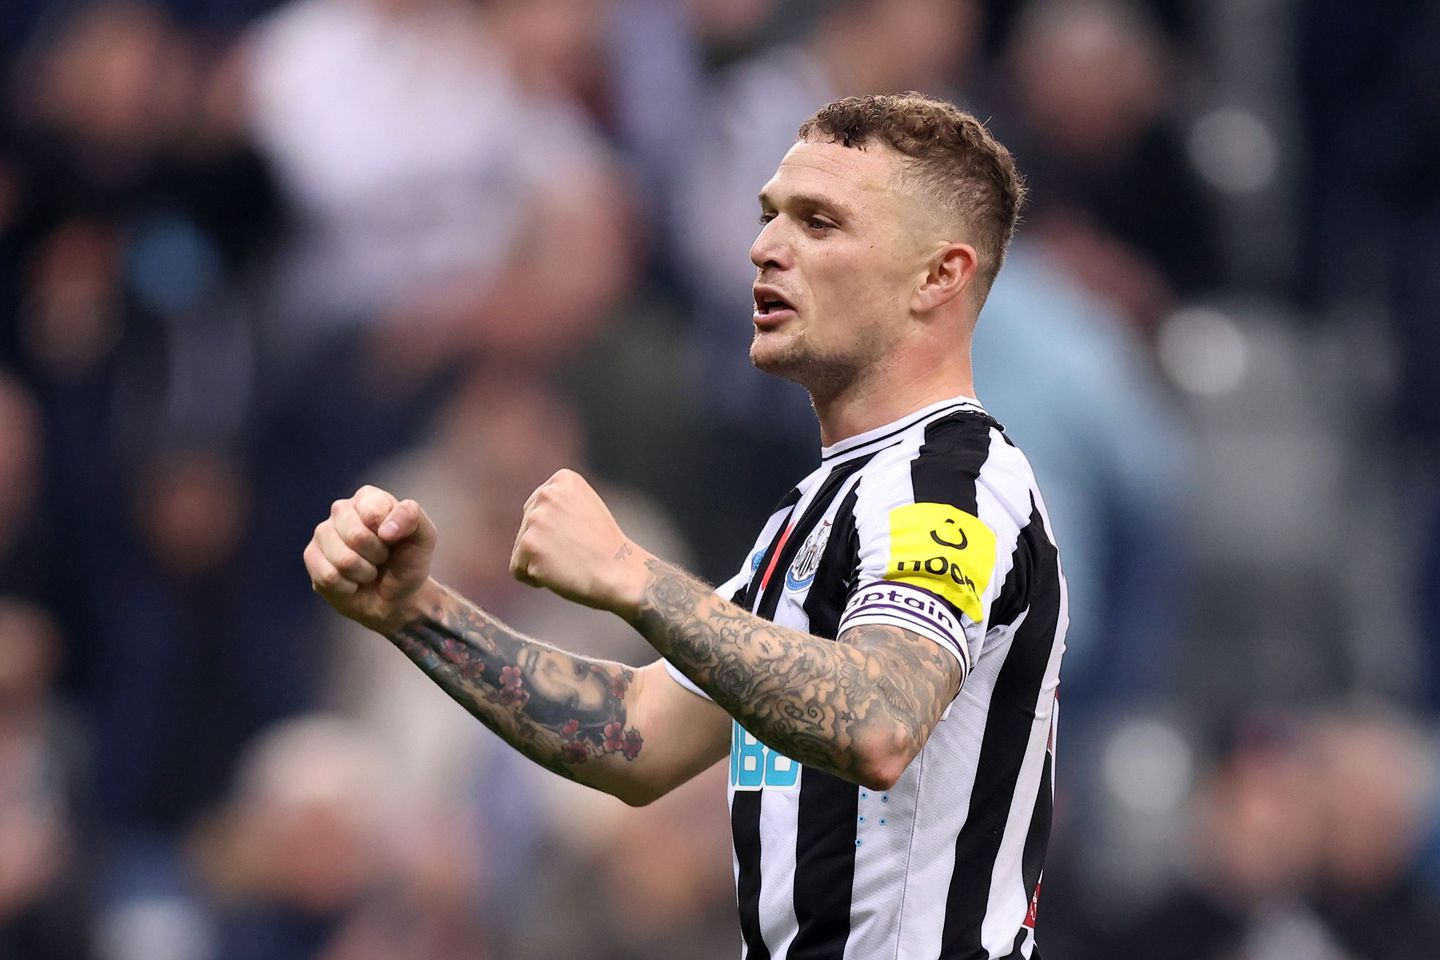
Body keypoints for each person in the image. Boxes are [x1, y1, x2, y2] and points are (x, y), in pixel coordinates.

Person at [305, 93, 1068, 958]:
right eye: (769, 215)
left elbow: (877, 718)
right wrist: (414, 611)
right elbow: (635, 737)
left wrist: (632, 575)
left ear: (940, 275)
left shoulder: (951, 485)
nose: (764, 248)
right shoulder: (819, 511)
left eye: (819, 223)